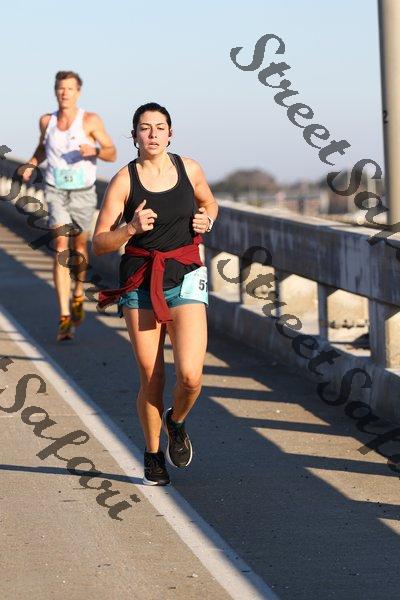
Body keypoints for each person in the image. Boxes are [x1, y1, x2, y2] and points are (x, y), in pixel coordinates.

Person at [92, 102, 218, 486]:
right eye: (145, 128)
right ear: (134, 136)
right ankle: (152, 454)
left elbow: (209, 202)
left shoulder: (189, 169)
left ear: (170, 133)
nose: (152, 134)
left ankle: (175, 421)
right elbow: (100, 242)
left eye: (160, 127)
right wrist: (130, 228)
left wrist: (208, 219)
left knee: (191, 377)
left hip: (186, 277)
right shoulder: (124, 180)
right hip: (140, 282)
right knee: (152, 376)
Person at [21, 70, 117, 341]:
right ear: (55, 91)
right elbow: (43, 148)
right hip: (56, 190)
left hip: (83, 193)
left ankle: (78, 292)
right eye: (60, 88)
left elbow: (112, 152)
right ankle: (64, 317)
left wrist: (95, 150)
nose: (64, 93)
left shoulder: (90, 120)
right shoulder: (46, 121)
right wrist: (31, 163)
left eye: (70, 88)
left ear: (78, 92)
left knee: (79, 246)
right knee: (61, 246)